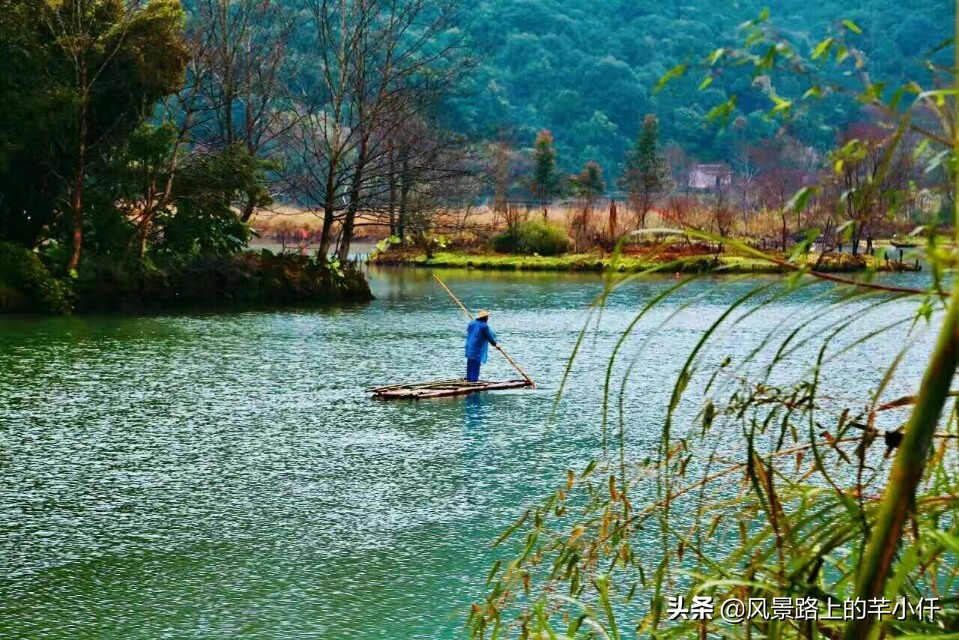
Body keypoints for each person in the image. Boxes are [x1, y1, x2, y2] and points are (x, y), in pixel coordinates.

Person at [465, 310, 497, 382]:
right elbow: (489, 337)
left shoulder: (472, 323)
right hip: (477, 347)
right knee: (475, 364)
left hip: (470, 346)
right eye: (487, 317)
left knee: (470, 363)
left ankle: (469, 379)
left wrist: (475, 323)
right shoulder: (484, 326)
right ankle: (473, 381)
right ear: (485, 318)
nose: (488, 318)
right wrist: (495, 344)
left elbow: (468, 330)